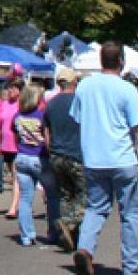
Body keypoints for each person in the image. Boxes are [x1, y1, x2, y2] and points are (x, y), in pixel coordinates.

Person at [70, 41, 138, 275]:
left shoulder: (84, 86)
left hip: (94, 159)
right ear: (121, 62)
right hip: (122, 159)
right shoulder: (127, 89)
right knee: (129, 215)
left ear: (101, 61)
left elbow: (77, 119)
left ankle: (85, 248)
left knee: (95, 208)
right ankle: (131, 267)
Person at [45, 68, 85, 252]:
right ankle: (69, 224)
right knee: (84, 196)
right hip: (76, 155)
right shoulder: (80, 102)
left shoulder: (51, 104)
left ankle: (70, 234)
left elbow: (47, 134)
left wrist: (51, 151)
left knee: (66, 195)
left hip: (56, 155)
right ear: (74, 82)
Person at [11, 82, 56, 246]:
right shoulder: (41, 116)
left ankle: (26, 235)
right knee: (52, 196)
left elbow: (16, 138)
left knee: (25, 198)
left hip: (22, 156)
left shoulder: (17, 116)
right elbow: (47, 138)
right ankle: (53, 232)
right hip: (40, 157)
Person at [0, 78, 25, 217]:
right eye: (9, 88)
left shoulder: (21, 105)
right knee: (13, 176)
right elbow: (0, 125)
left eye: (13, 88)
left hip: (18, 145)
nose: (10, 91)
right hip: (6, 146)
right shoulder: (4, 104)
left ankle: (13, 207)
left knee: (16, 176)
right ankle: (18, 202)